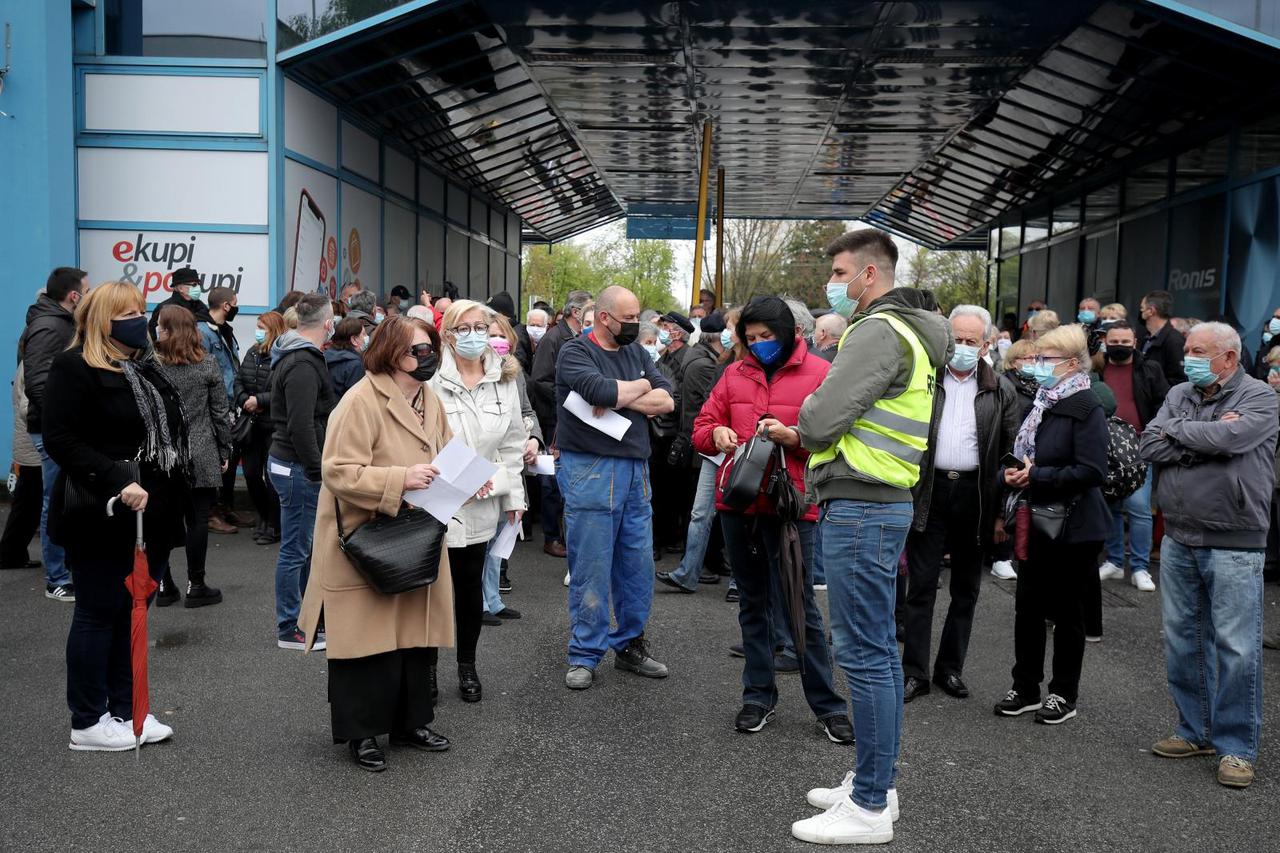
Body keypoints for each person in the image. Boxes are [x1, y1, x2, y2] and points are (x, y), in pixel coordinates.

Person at [792, 229, 951, 846]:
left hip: (861, 505)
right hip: (877, 505)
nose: (830, 283)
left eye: (837, 271)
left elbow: (819, 419)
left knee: (865, 655)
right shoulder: (913, 331)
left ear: (867, 275)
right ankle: (874, 780)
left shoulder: (878, 331)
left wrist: (809, 418)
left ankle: (869, 804)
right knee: (876, 651)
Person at [691, 296, 854, 741]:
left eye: (767, 336)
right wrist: (716, 433)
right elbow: (702, 425)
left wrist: (796, 436)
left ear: (789, 333)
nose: (759, 344)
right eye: (752, 338)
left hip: (791, 505)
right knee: (752, 603)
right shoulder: (733, 373)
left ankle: (828, 706)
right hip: (739, 501)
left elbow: (839, 438)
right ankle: (758, 696)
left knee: (800, 608)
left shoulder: (822, 373)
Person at [297, 315, 454, 772]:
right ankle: (361, 733)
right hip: (368, 538)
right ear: (390, 354)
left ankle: (409, 723)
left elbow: (444, 449)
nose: (426, 359)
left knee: (411, 639)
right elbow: (337, 471)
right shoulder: (360, 401)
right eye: (416, 352)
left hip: (414, 536)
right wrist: (399, 479)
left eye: (430, 350)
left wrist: (468, 478)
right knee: (365, 644)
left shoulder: (428, 397)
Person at [43, 281, 186, 750]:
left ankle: (127, 712)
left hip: (152, 513)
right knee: (98, 612)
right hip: (103, 511)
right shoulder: (73, 366)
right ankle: (87, 721)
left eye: (141, 310)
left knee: (132, 612)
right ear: (103, 318)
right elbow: (61, 438)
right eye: (128, 312)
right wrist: (114, 479)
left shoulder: (142, 368)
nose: (139, 319)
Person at [1140, 322, 1278, 790]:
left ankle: (1237, 748)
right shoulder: (1180, 393)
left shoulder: (1261, 397)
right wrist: (1200, 436)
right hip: (1179, 536)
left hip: (1235, 537)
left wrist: (1186, 437)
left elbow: (1231, 442)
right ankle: (1196, 731)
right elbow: (1149, 444)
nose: (1189, 358)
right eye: (1189, 350)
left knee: (1236, 647)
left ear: (1230, 358)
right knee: (1183, 639)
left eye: (1199, 351)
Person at [556, 285, 674, 690]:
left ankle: (629, 646)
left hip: (635, 472)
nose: (635, 324)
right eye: (628, 318)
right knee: (590, 565)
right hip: (590, 469)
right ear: (603, 317)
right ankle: (584, 654)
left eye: (637, 316)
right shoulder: (575, 352)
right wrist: (635, 388)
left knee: (637, 564)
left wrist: (627, 393)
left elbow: (667, 400)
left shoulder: (638, 353)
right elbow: (602, 392)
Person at [902, 305, 1019, 704]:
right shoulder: (926, 377)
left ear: (987, 344)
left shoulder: (1001, 388)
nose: (964, 348)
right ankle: (913, 671)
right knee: (920, 587)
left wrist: (1002, 511)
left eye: (973, 341)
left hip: (977, 495)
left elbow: (1010, 450)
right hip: (929, 491)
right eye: (958, 340)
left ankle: (949, 669)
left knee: (966, 589)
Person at [993, 324, 1108, 727]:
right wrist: (1010, 474)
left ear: (1073, 363)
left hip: (1073, 527)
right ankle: (1025, 686)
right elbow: (1023, 453)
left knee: (1067, 613)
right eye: (1035, 356)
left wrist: (1037, 476)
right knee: (1028, 606)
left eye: (1047, 358)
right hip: (1034, 518)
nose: (1037, 364)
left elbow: (1092, 470)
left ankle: (1063, 692)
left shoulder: (1085, 405)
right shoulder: (1042, 400)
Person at [428, 300, 528, 702]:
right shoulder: (430, 378)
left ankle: (466, 665)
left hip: (482, 499)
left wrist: (513, 496)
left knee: (469, 589)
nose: (473, 335)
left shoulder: (504, 377)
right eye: (463, 328)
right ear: (447, 335)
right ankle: (427, 670)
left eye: (480, 327)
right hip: (437, 500)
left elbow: (512, 444)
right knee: (431, 590)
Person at [268, 293, 338, 650]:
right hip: (297, 466)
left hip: (294, 464)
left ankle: (308, 619)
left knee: (303, 548)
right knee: (296, 549)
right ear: (327, 324)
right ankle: (290, 627)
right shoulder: (302, 364)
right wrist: (316, 470)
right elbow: (300, 425)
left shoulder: (298, 356)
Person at [151, 305, 229, 607]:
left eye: (160, 325)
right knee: (197, 519)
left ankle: (163, 584)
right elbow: (219, 412)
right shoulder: (207, 364)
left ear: (169, 329)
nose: (156, 329)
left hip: (163, 454)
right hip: (200, 450)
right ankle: (196, 584)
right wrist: (225, 450)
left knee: (161, 519)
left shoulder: (151, 365)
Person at [19, 267, 86, 599]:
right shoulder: (49, 326)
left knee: (66, 499)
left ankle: (66, 568)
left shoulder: (61, 323)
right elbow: (38, 385)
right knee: (54, 501)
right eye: (85, 291)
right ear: (73, 296)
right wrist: (64, 423)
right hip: (52, 431)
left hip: (61, 429)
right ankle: (57, 578)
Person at [657, 312, 729, 592]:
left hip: (704, 441)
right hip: (707, 444)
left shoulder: (701, 359)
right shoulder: (702, 363)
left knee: (701, 510)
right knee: (699, 510)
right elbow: (702, 408)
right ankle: (696, 569)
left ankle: (699, 567)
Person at [1097, 321, 1169, 591]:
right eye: (1113, 341)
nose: (1119, 346)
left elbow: (1164, 401)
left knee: (1139, 506)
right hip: (1104, 445)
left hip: (1139, 445)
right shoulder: (1096, 368)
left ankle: (1140, 566)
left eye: (1125, 342)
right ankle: (1115, 561)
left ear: (1135, 342)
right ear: (1106, 341)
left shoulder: (1149, 369)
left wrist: (1155, 430)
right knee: (1110, 505)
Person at [482, 312, 543, 604]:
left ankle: (492, 599)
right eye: (490, 334)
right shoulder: (472, 372)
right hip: (485, 462)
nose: (496, 340)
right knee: (482, 535)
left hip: (511, 463)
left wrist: (534, 439)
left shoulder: (514, 373)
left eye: (501, 335)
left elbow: (527, 412)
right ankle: (479, 601)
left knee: (503, 533)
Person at [531, 289, 593, 559]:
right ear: (576, 312)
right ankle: (551, 536)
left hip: (573, 420)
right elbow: (540, 380)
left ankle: (565, 534)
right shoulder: (554, 338)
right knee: (551, 481)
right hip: (553, 419)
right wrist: (567, 400)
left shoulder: (579, 339)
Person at [235, 311, 284, 545]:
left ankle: (274, 524)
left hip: (273, 424)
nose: (258, 330)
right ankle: (263, 517)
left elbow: (283, 391)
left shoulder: (282, 357)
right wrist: (244, 398)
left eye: (261, 326)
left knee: (273, 477)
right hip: (251, 423)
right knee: (252, 474)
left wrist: (260, 401)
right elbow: (238, 380)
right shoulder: (252, 352)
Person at [200, 286, 246, 534]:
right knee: (218, 459)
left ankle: (225, 506)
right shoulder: (203, 332)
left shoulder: (225, 331)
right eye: (235, 303)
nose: (236, 307)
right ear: (226, 305)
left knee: (231, 453)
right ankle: (211, 512)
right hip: (214, 404)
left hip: (230, 403)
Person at [651, 311, 696, 558]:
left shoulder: (685, 359)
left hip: (673, 432)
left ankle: (668, 539)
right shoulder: (663, 357)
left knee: (673, 490)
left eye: (666, 327)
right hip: (658, 434)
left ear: (678, 332)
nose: (663, 332)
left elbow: (679, 399)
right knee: (660, 489)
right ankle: (661, 539)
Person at [2, 364, 44, 569]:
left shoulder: (30, 360)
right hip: (34, 444)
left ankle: (11, 553)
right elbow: (28, 407)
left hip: (29, 443)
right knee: (29, 502)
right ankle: (10, 554)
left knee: (28, 502)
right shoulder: (37, 362)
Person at [147, 266, 209, 342]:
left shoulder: (200, 305)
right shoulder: (164, 308)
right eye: (194, 285)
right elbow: (153, 336)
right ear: (180, 288)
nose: (198, 288)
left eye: (198, 284)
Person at [1138, 290, 1187, 385]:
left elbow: (1179, 379)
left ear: (1151, 311)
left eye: (1142, 308)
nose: (1140, 311)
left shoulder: (1174, 340)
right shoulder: (1144, 337)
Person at [324, 316, 367, 400]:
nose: (366, 337)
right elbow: (355, 400)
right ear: (354, 340)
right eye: (363, 334)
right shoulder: (355, 365)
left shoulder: (325, 356)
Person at [1250, 307, 1280, 380]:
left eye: (1279, 318)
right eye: (1274, 317)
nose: (1274, 321)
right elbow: (1257, 375)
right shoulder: (1267, 348)